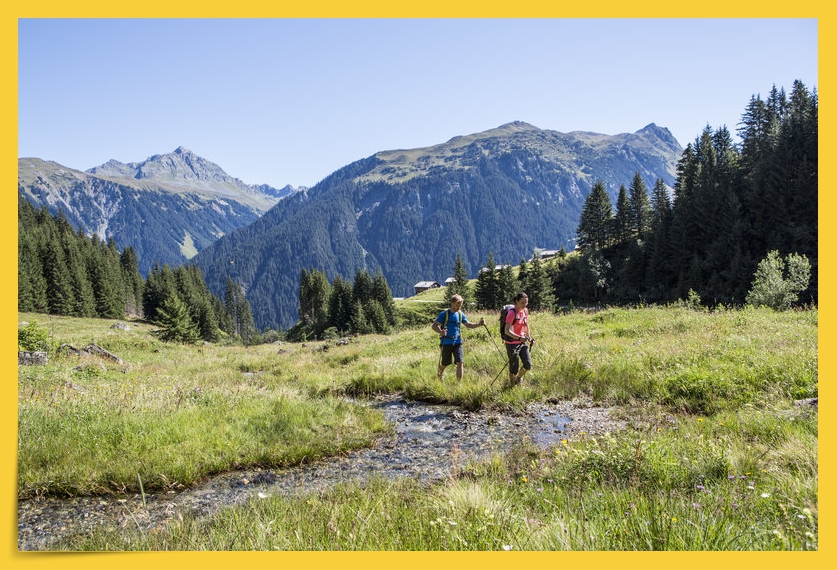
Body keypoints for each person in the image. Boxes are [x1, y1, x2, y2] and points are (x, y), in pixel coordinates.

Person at [431, 294, 485, 381]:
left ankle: (459, 384)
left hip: (457, 342)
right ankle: (439, 375)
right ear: (452, 303)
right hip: (446, 342)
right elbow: (434, 326)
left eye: (460, 306)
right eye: (457, 305)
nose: (458, 307)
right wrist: (441, 332)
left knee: (460, 362)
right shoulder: (444, 314)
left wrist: (479, 324)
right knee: (445, 363)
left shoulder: (460, 314)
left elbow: (468, 324)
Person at [504, 291, 533, 385]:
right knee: (514, 367)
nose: (525, 305)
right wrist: (519, 338)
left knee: (528, 365)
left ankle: (518, 378)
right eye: (522, 303)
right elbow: (507, 331)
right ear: (516, 301)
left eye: (526, 302)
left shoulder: (525, 311)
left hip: (522, 342)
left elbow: (526, 324)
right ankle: (512, 385)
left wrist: (529, 337)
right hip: (511, 343)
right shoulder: (512, 313)